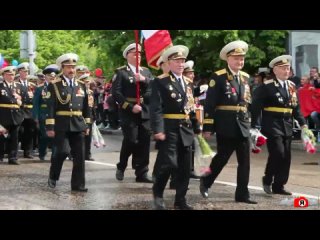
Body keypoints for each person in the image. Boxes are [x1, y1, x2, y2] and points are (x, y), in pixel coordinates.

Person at [199, 40, 257, 204]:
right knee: (222, 158)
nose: (240, 62)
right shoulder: (218, 77)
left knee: (244, 162)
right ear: (228, 59)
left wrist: (253, 125)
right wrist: (208, 126)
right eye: (236, 58)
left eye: (242, 59)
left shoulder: (245, 78)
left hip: (243, 124)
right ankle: (206, 181)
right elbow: (210, 104)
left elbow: (247, 103)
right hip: (226, 124)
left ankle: (242, 195)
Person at [150, 45, 201, 210]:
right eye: (176, 61)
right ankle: (158, 193)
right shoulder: (160, 81)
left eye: (182, 61)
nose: (181, 64)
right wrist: (157, 129)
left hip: (185, 127)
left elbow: (190, 106)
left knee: (185, 167)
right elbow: (156, 108)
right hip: (169, 127)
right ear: (168, 63)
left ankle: (181, 199)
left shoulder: (188, 82)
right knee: (169, 163)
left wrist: (196, 126)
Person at [251, 55, 307, 195]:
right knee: (278, 152)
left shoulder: (292, 86)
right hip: (271, 123)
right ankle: (268, 178)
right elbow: (256, 107)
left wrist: (303, 124)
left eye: (288, 68)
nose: (286, 71)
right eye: (283, 68)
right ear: (275, 70)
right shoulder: (267, 86)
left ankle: (279, 185)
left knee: (286, 156)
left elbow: (296, 108)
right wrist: (254, 126)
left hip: (287, 123)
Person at [46, 53, 90, 192]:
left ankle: (78, 185)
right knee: (62, 152)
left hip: (78, 123)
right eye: (68, 67)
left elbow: (86, 108)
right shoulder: (55, 85)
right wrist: (50, 126)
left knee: (80, 156)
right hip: (61, 124)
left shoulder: (81, 85)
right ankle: (53, 175)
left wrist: (87, 124)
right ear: (62, 68)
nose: (72, 70)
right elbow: (51, 107)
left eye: (73, 67)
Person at [112, 43, 154, 183]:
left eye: (140, 53)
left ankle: (142, 172)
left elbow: (152, 88)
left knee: (144, 142)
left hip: (144, 110)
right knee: (131, 139)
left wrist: (143, 80)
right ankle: (121, 165)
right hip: (129, 111)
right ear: (127, 56)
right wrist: (130, 107)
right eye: (135, 53)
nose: (138, 56)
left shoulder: (146, 72)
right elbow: (116, 93)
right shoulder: (121, 72)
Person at [32, 64, 60, 160]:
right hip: (44, 115)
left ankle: (54, 155)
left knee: (56, 136)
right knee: (44, 136)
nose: (52, 78)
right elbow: (36, 104)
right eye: (49, 76)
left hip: (56, 116)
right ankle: (42, 153)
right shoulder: (40, 89)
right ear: (46, 77)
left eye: (53, 76)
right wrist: (35, 117)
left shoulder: (59, 88)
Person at [0, 66, 24, 164]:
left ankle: (13, 157)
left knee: (14, 137)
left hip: (16, 116)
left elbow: (24, 101)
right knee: (2, 136)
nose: (11, 76)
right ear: (3, 75)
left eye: (12, 75)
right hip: (3, 115)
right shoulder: (0, 86)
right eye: (8, 75)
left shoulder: (18, 86)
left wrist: (19, 101)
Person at [16, 62, 37, 159]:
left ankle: (28, 151)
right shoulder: (16, 84)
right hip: (19, 110)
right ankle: (14, 151)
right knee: (19, 131)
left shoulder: (32, 85)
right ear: (19, 72)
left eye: (27, 71)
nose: (26, 73)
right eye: (24, 71)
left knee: (30, 131)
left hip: (30, 111)